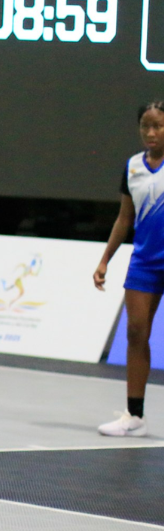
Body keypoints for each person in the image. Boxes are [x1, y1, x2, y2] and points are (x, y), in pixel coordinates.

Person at [94, 101, 164, 437]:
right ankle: (134, 416)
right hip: (144, 263)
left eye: (158, 126)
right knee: (136, 333)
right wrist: (105, 259)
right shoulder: (133, 166)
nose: (151, 133)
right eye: (145, 126)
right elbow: (125, 218)